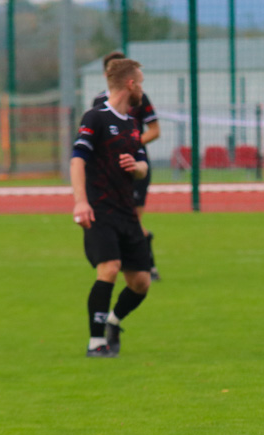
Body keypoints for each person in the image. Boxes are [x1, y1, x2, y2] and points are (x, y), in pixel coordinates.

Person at [72, 58, 151, 358]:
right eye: (140, 82)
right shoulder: (95, 117)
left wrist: (137, 166)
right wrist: (80, 201)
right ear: (130, 84)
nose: (142, 88)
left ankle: (114, 322)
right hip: (100, 209)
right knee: (109, 268)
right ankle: (96, 343)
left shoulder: (132, 124)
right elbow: (77, 159)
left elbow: (142, 164)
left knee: (141, 282)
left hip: (127, 212)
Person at [93, 50, 162, 281]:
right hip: (108, 174)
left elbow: (154, 130)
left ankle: (146, 267)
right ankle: (130, 264)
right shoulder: (98, 103)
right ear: (106, 74)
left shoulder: (139, 97)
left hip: (135, 167)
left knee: (134, 220)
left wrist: (129, 144)